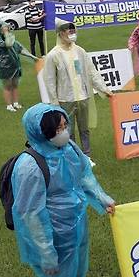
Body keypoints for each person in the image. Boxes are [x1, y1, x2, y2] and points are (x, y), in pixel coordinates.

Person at [11, 103, 116, 277]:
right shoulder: (30, 167)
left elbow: (84, 176)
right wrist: (45, 252)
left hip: (76, 223)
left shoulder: (69, 148)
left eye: (64, 126)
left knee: (77, 272)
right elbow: (30, 213)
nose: (63, 132)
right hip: (54, 234)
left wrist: (101, 197)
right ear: (41, 132)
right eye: (57, 129)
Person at [42, 18, 113, 166]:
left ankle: (86, 156)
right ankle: (72, 157)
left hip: (83, 96)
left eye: (73, 31)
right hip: (65, 99)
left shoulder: (80, 51)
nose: (72, 34)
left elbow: (91, 72)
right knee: (68, 130)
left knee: (84, 129)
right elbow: (49, 80)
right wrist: (54, 102)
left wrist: (104, 89)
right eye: (69, 31)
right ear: (61, 34)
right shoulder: (53, 55)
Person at [0, 18, 37, 112]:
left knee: (15, 84)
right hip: (4, 66)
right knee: (7, 85)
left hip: (14, 64)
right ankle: (9, 105)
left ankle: (16, 103)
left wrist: (32, 57)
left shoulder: (9, 36)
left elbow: (19, 48)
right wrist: (6, 33)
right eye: (4, 26)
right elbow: (8, 44)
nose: (7, 27)